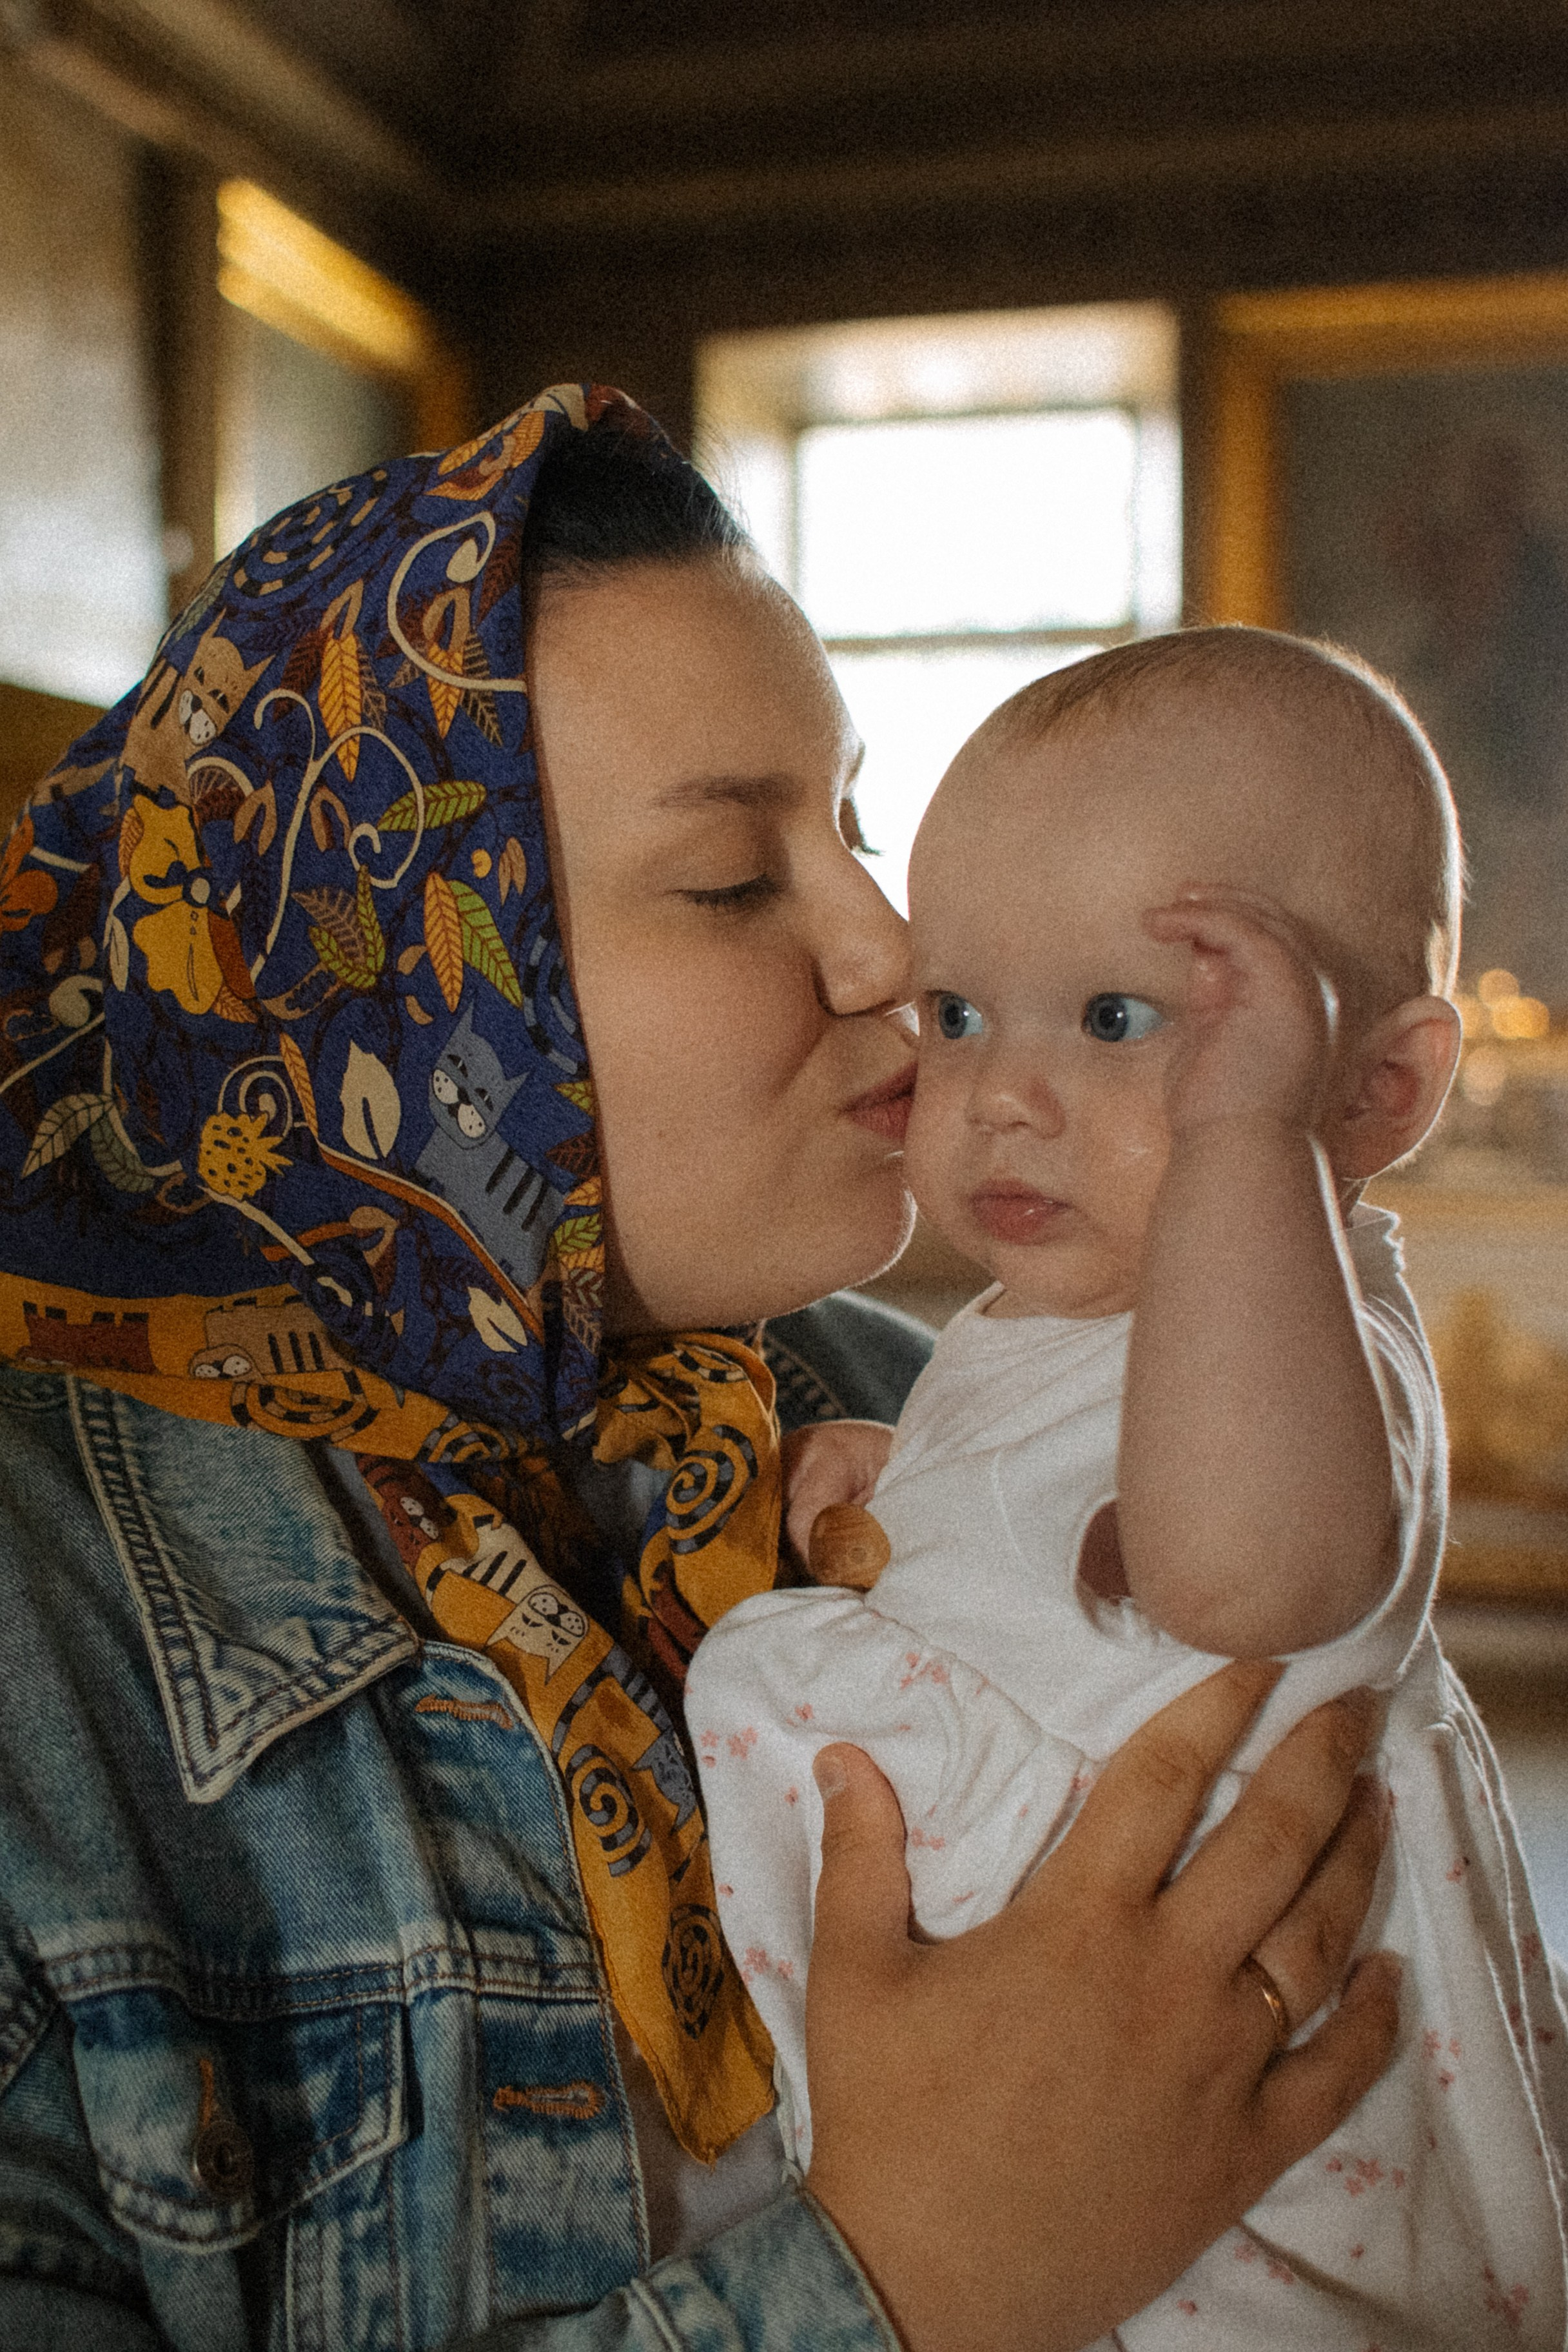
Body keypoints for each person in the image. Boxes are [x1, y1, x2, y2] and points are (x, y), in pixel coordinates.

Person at [0, 391, 1402, 2352]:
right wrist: (897, 2283)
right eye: (739, 881)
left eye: (849, 827)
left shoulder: (920, 1402)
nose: (889, 945)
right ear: (386, 973)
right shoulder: (39, 1639)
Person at [690, 630, 1568, 2347]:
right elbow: (1067, 1524)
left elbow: (1237, 1575)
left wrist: (1248, 1141)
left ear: (1373, 1089)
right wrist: (916, 1484)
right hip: (1056, 2127)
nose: (1003, 1094)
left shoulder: (1304, 1318)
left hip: (1256, 2155)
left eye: (1120, 1017)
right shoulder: (1064, 1318)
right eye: (960, 1013)